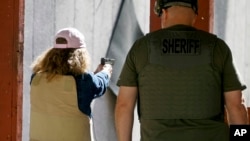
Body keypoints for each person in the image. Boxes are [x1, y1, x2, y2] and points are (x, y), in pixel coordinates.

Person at [115, 0, 249, 141]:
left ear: (164, 13)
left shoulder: (141, 49)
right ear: (194, 16)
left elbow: (124, 105)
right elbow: (237, 105)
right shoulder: (217, 48)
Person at [29, 27, 112, 141]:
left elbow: (60, 92)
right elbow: (98, 85)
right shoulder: (83, 81)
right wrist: (106, 71)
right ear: (80, 55)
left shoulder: (36, 78)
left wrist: (94, 74)